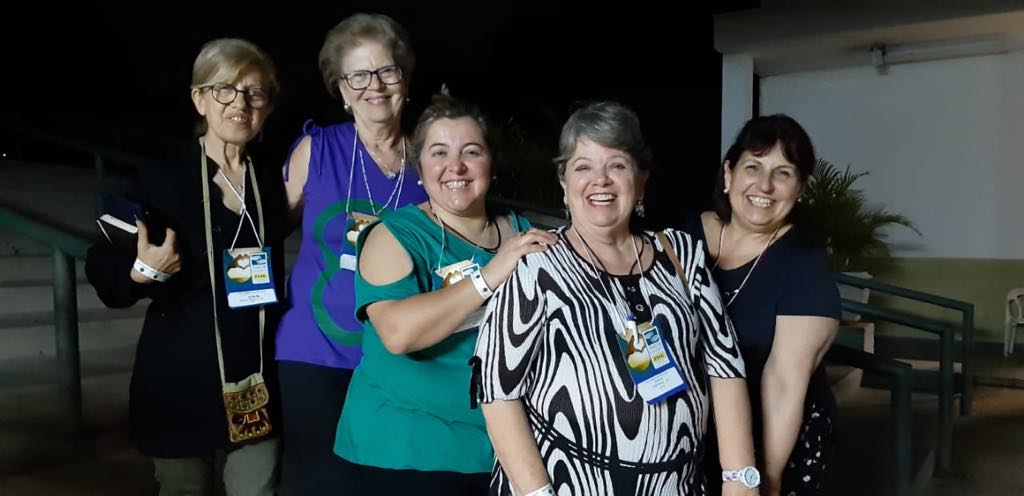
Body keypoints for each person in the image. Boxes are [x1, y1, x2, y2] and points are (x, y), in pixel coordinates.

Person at [475, 101, 759, 495]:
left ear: (641, 181)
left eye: (617, 165)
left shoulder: (680, 254)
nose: (601, 180)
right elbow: (496, 392)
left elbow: (725, 367)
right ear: (564, 183)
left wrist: (741, 480)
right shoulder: (533, 263)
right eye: (583, 166)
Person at [86, 38, 286, 495]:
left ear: (268, 106)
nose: (241, 103)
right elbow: (103, 264)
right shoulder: (161, 178)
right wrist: (142, 270)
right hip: (180, 382)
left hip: (255, 382)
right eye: (225, 90)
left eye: (255, 93)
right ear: (199, 98)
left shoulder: (270, 180)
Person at [334, 93, 557, 494]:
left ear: (491, 163)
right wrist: (488, 277)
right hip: (408, 450)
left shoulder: (522, 231)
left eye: (471, 151)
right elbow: (398, 334)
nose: (455, 166)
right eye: (439, 152)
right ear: (419, 169)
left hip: (501, 451)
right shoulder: (393, 234)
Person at [273, 13, 428, 494]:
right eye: (358, 75)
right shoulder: (315, 150)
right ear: (341, 88)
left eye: (387, 71)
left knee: (386, 478)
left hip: (400, 354)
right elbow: (262, 230)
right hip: (314, 352)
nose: (374, 86)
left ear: (404, 79)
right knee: (318, 480)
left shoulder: (430, 159)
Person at [684, 114, 839, 496]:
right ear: (728, 173)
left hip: (767, 437)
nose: (764, 185)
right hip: (694, 427)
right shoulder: (687, 236)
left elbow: (784, 383)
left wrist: (763, 479)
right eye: (752, 166)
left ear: (800, 189)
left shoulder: (805, 265)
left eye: (783, 173)